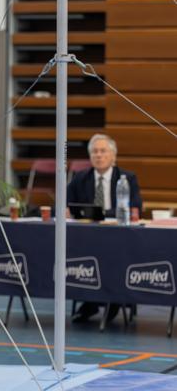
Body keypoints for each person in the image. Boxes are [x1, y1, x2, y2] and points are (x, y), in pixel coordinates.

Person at [67, 133, 142, 324]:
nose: (98, 155)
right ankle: (89, 302)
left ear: (113, 156)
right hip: (87, 237)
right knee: (80, 256)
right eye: (94, 152)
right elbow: (68, 207)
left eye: (103, 151)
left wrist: (102, 214)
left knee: (112, 254)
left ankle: (113, 301)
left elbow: (135, 208)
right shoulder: (80, 178)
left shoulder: (127, 178)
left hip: (119, 237)